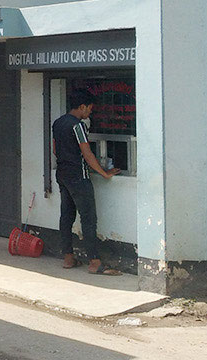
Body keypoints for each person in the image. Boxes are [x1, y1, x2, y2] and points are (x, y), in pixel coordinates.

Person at [52, 88, 121, 276]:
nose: (90, 112)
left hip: (62, 174)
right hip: (78, 176)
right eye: (89, 109)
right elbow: (87, 154)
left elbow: (55, 150)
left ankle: (68, 258)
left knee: (66, 216)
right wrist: (104, 173)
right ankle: (94, 261)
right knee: (88, 218)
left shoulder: (58, 123)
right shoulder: (78, 126)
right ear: (82, 107)